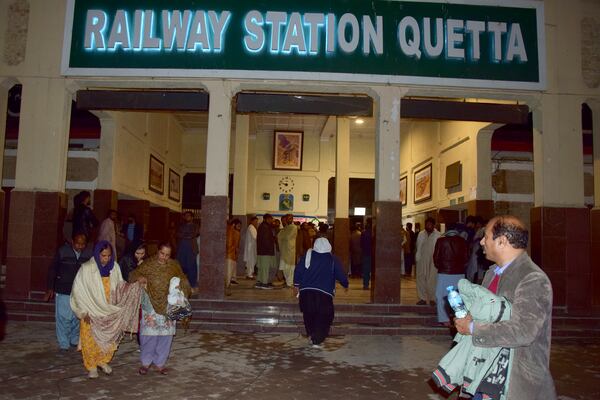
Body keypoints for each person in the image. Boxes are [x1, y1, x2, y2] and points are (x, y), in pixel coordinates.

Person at [455, 215, 556, 399]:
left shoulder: (532, 279)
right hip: (483, 370)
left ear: (502, 241)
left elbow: (523, 331)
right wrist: (470, 316)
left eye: (486, 236)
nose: (482, 242)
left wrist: (472, 329)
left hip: (512, 379)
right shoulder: (492, 273)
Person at [70, 241, 142, 379]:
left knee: (109, 339)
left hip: (109, 311)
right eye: (103, 255)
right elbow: (78, 292)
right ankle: (91, 366)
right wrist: (82, 311)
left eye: (109, 256)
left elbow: (120, 286)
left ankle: (103, 361)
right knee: (90, 339)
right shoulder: (86, 269)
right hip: (90, 311)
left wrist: (133, 287)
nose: (106, 259)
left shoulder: (114, 267)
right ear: (97, 254)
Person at [129, 242, 191, 376]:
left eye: (167, 255)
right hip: (150, 304)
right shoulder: (148, 264)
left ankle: (160, 363)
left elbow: (183, 279)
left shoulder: (174, 265)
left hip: (168, 303)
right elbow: (132, 275)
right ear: (157, 251)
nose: (164, 257)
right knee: (149, 335)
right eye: (162, 253)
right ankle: (145, 363)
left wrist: (182, 287)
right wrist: (140, 278)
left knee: (166, 335)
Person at [294, 237, 349, 348]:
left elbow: (298, 270)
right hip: (324, 294)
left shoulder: (307, 256)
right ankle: (317, 339)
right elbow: (341, 274)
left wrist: (296, 285)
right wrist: (345, 284)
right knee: (324, 316)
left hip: (306, 292)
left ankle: (312, 335)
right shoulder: (333, 259)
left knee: (309, 315)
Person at [44, 233, 93, 351]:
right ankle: (63, 343)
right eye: (77, 243)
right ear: (72, 241)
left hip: (80, 291)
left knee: (77, 317)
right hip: (63, 290)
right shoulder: (63, 251)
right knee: (63, 318)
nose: (80, 246)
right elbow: (53, 269)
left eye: (82, 244)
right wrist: (50, 287)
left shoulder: (89, 254)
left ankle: (74, 340)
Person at [432, 224, 469, 327]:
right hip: (459, 273)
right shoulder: (463, 241)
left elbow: (436, 257)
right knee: (457, 296)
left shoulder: (441, 241)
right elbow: (466, 258)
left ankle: (444, 319)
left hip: (444, 272)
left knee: (440, 295)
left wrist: (441, 267)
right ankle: (459, 318)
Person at [415, 217, 441, 306]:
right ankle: (422, 298)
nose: (428, 226)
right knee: (421, 278)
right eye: (427, 224)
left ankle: (432, 299)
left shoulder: (438, 235)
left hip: (433, 260)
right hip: (422, 259)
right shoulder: (421, 234)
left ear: (434, 225)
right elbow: (418, 246)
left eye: (430, 224)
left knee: (432, 279)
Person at [177, 211, 199, 293]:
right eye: (185, 216)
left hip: (191, 248)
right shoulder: (181, 226)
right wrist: (187, 235)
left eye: (188, 216)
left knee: (191, 266)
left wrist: (185, 235)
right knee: (180, 266)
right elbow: (178, 234)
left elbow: (194, 234)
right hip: (182, 248)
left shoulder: (195, 226)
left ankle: (193, 285)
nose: (187, 217)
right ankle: (181, 285)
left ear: (192, 217)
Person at [255, 214, 276, 289]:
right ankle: (264, 283)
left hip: (261, 251)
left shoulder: (262, 226)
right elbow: (266, 240)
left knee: (261, 267)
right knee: (265, 268)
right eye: (270, 219)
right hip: (265, 252)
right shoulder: (265, 227)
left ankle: (259, 282)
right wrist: (270, 250)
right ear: (266, 219)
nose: (271, 220)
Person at [277, 214, 298, 288]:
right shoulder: (285, 228)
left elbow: (287, 237)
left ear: (292, 219)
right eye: (287, 219)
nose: (288, 220)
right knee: (285, 268)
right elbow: (279, 236)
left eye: (290, 218)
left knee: (290, 268)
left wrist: (282, 236)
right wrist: (282, 236)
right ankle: (287, 282)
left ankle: (290, 283)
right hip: (284, 250)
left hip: (290, 250)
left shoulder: (294, 227)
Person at [225, 218, 242, 288]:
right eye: (238, 225)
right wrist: (233, 249)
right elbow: (229, 243)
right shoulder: (232, 231)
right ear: (233, 225)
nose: (240, 227)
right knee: (229, 271)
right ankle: (227, 285)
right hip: (230, 254)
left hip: (231, 254)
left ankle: (228, 283)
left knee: (230, 271)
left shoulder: (232, 231)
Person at [360, 218, 373, 290]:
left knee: (366, 270)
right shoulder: (374, 233)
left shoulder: (363, 233)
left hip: (365, 254)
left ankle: (366, 284)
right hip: (374, 254)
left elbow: (361, 244)